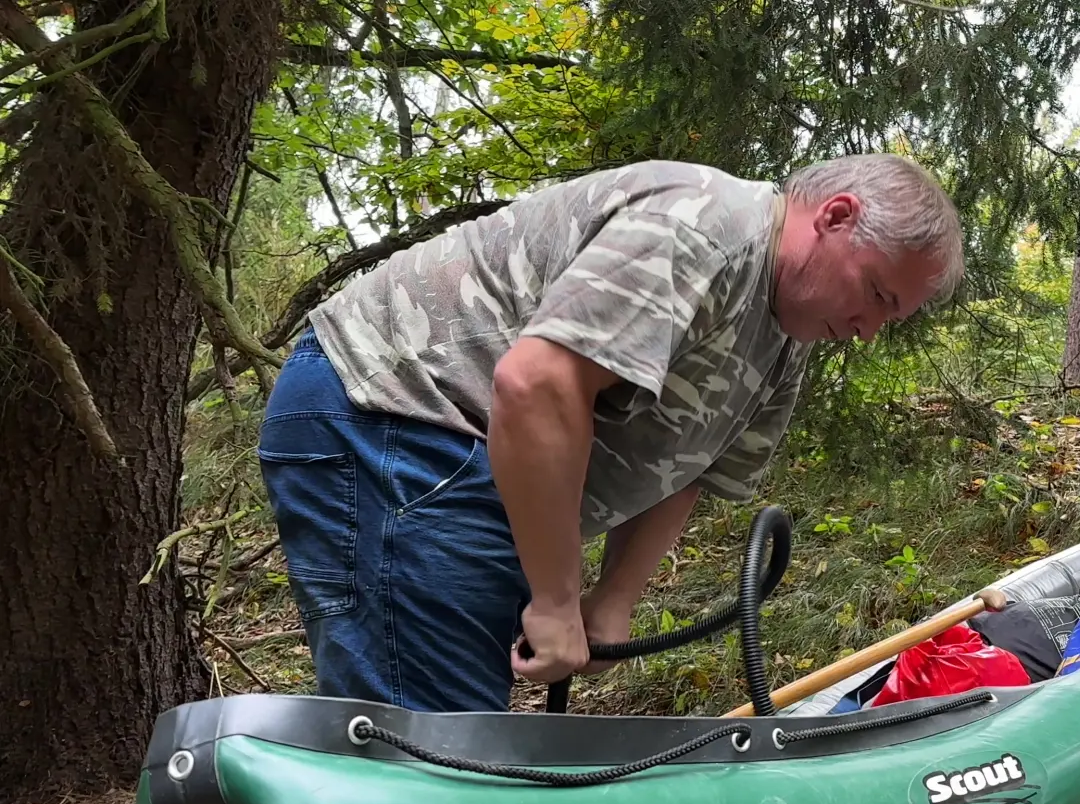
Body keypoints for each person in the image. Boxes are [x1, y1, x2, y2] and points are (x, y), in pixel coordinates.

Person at [258, 154, 964, 712]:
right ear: (837, 216)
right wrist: (557, 597)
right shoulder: (707, 228)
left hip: (461, 455)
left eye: (890, 318)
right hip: (391, 413)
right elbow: (536, 383)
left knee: (451, 738)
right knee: (435, 749)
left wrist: (612, 597)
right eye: (876, 294)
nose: (868, 331)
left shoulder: (785, 340)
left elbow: (689, 468)